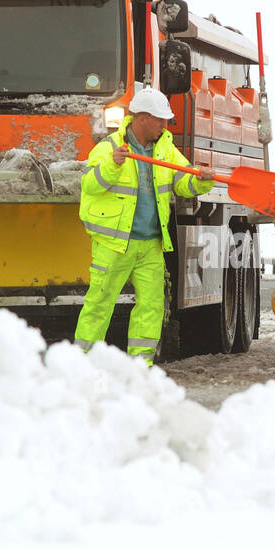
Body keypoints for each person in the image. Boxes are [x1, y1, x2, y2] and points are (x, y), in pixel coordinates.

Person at [73, 87, 214, 365]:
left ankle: (141, 366)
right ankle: (82, 366)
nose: (165, 125)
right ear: (142, 118)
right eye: (160, 120)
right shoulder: (109, 148)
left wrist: (202, 180)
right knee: (99, 305)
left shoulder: (165, 150)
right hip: (114, 244)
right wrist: (112, 167)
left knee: (151, 307)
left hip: (151, 244)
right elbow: (89, 185)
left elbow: (182, 183)